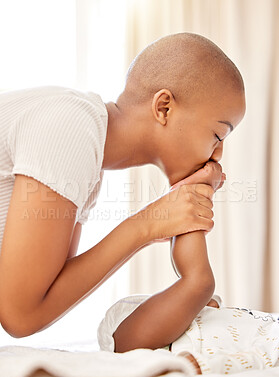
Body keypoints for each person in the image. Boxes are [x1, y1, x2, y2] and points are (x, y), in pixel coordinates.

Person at [0, 32, 245, 339]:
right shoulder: (71, 126)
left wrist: (153, 228)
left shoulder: (87, 155)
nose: (218, 154)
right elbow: (21, 315)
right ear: (164, 108)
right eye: (218, 135)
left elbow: (47, 291)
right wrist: (145, 225)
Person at [97, 165, 279, 375]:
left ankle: (194, 190)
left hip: (165, 343)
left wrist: (205, 366)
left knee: (200, 282)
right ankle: (190, 196)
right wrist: (209, 308)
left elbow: (256, 359)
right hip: (168, 323)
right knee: (198, 285)